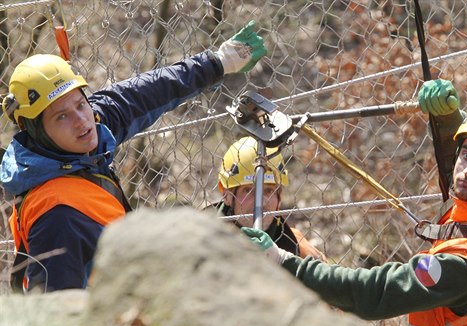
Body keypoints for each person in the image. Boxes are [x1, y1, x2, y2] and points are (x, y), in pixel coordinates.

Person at [243, 79, 467, 326]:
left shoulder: (466, 267)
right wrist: (449, 119)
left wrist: (280, 259)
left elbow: (372, 293)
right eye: (466, 155)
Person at [1, 21, 267, 292]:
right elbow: (53, 315)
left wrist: (218, 62)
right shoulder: (58, 217)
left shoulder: (77, 139)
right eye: (61, 116)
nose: (81, 121)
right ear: (35, 130)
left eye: (81, 104)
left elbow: (147, 92)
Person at [209, 136, 326, 260]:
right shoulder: (198, 237)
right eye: (247, 190)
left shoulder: (299, 248)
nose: (260, 201)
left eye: (268, 190)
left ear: (280, 196)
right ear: (226, 194)